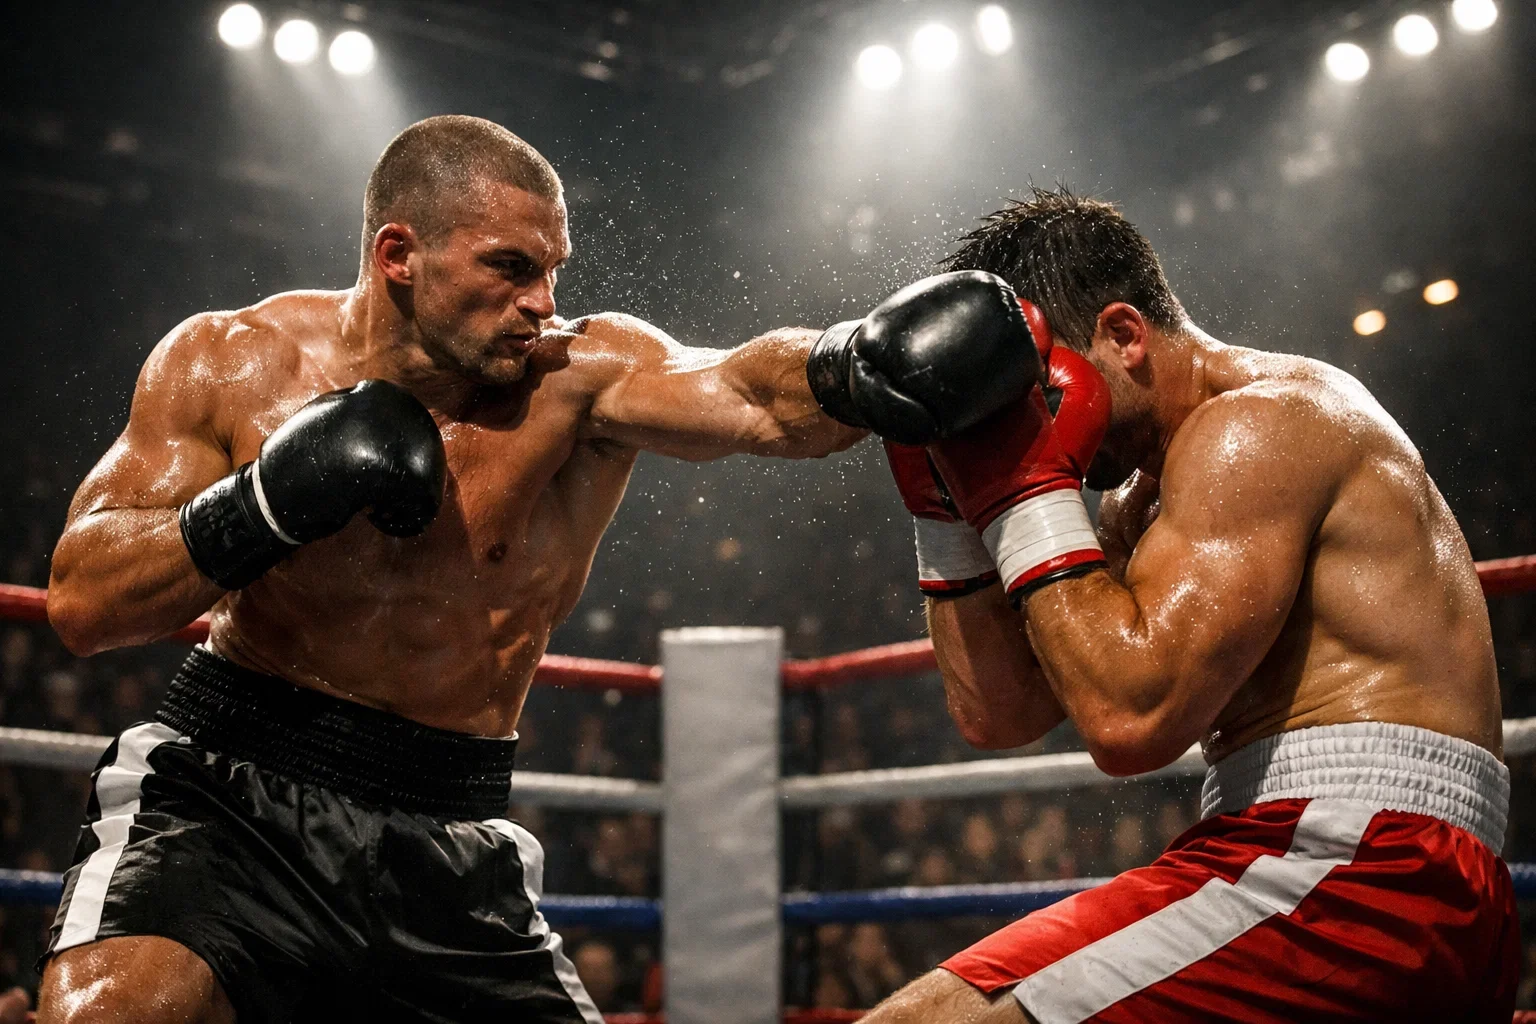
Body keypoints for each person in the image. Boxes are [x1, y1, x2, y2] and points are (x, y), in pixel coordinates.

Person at [38, 114, 863, 1024]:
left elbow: (754, 397)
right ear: (399, 254)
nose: (543, 302)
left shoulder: (576, 377)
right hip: (226, 800)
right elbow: (82, 603)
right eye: (511, 267)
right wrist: (265, 502)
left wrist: (858, 363)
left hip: (449, 835)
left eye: (553, 270)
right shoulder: (234, 361)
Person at [808, 186, 1515, 1022]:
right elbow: (1000, 713)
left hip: (1364, 866)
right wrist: (947, 519)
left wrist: (1020, 491)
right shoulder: (1137, 499)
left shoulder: (1258, 424)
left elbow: (1127, 719)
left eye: (1034, 387)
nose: (1024, 419)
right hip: (1333, 861)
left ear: (1123, 334)